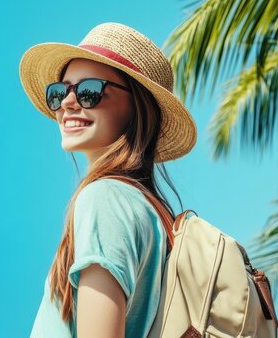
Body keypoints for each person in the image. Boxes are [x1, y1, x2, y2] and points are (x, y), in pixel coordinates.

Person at [18, 22, 198, 338]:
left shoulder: (105, 199)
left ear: (138, 106)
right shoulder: (151, 213)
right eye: (60, 92)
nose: (68, 103)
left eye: (90, 91)